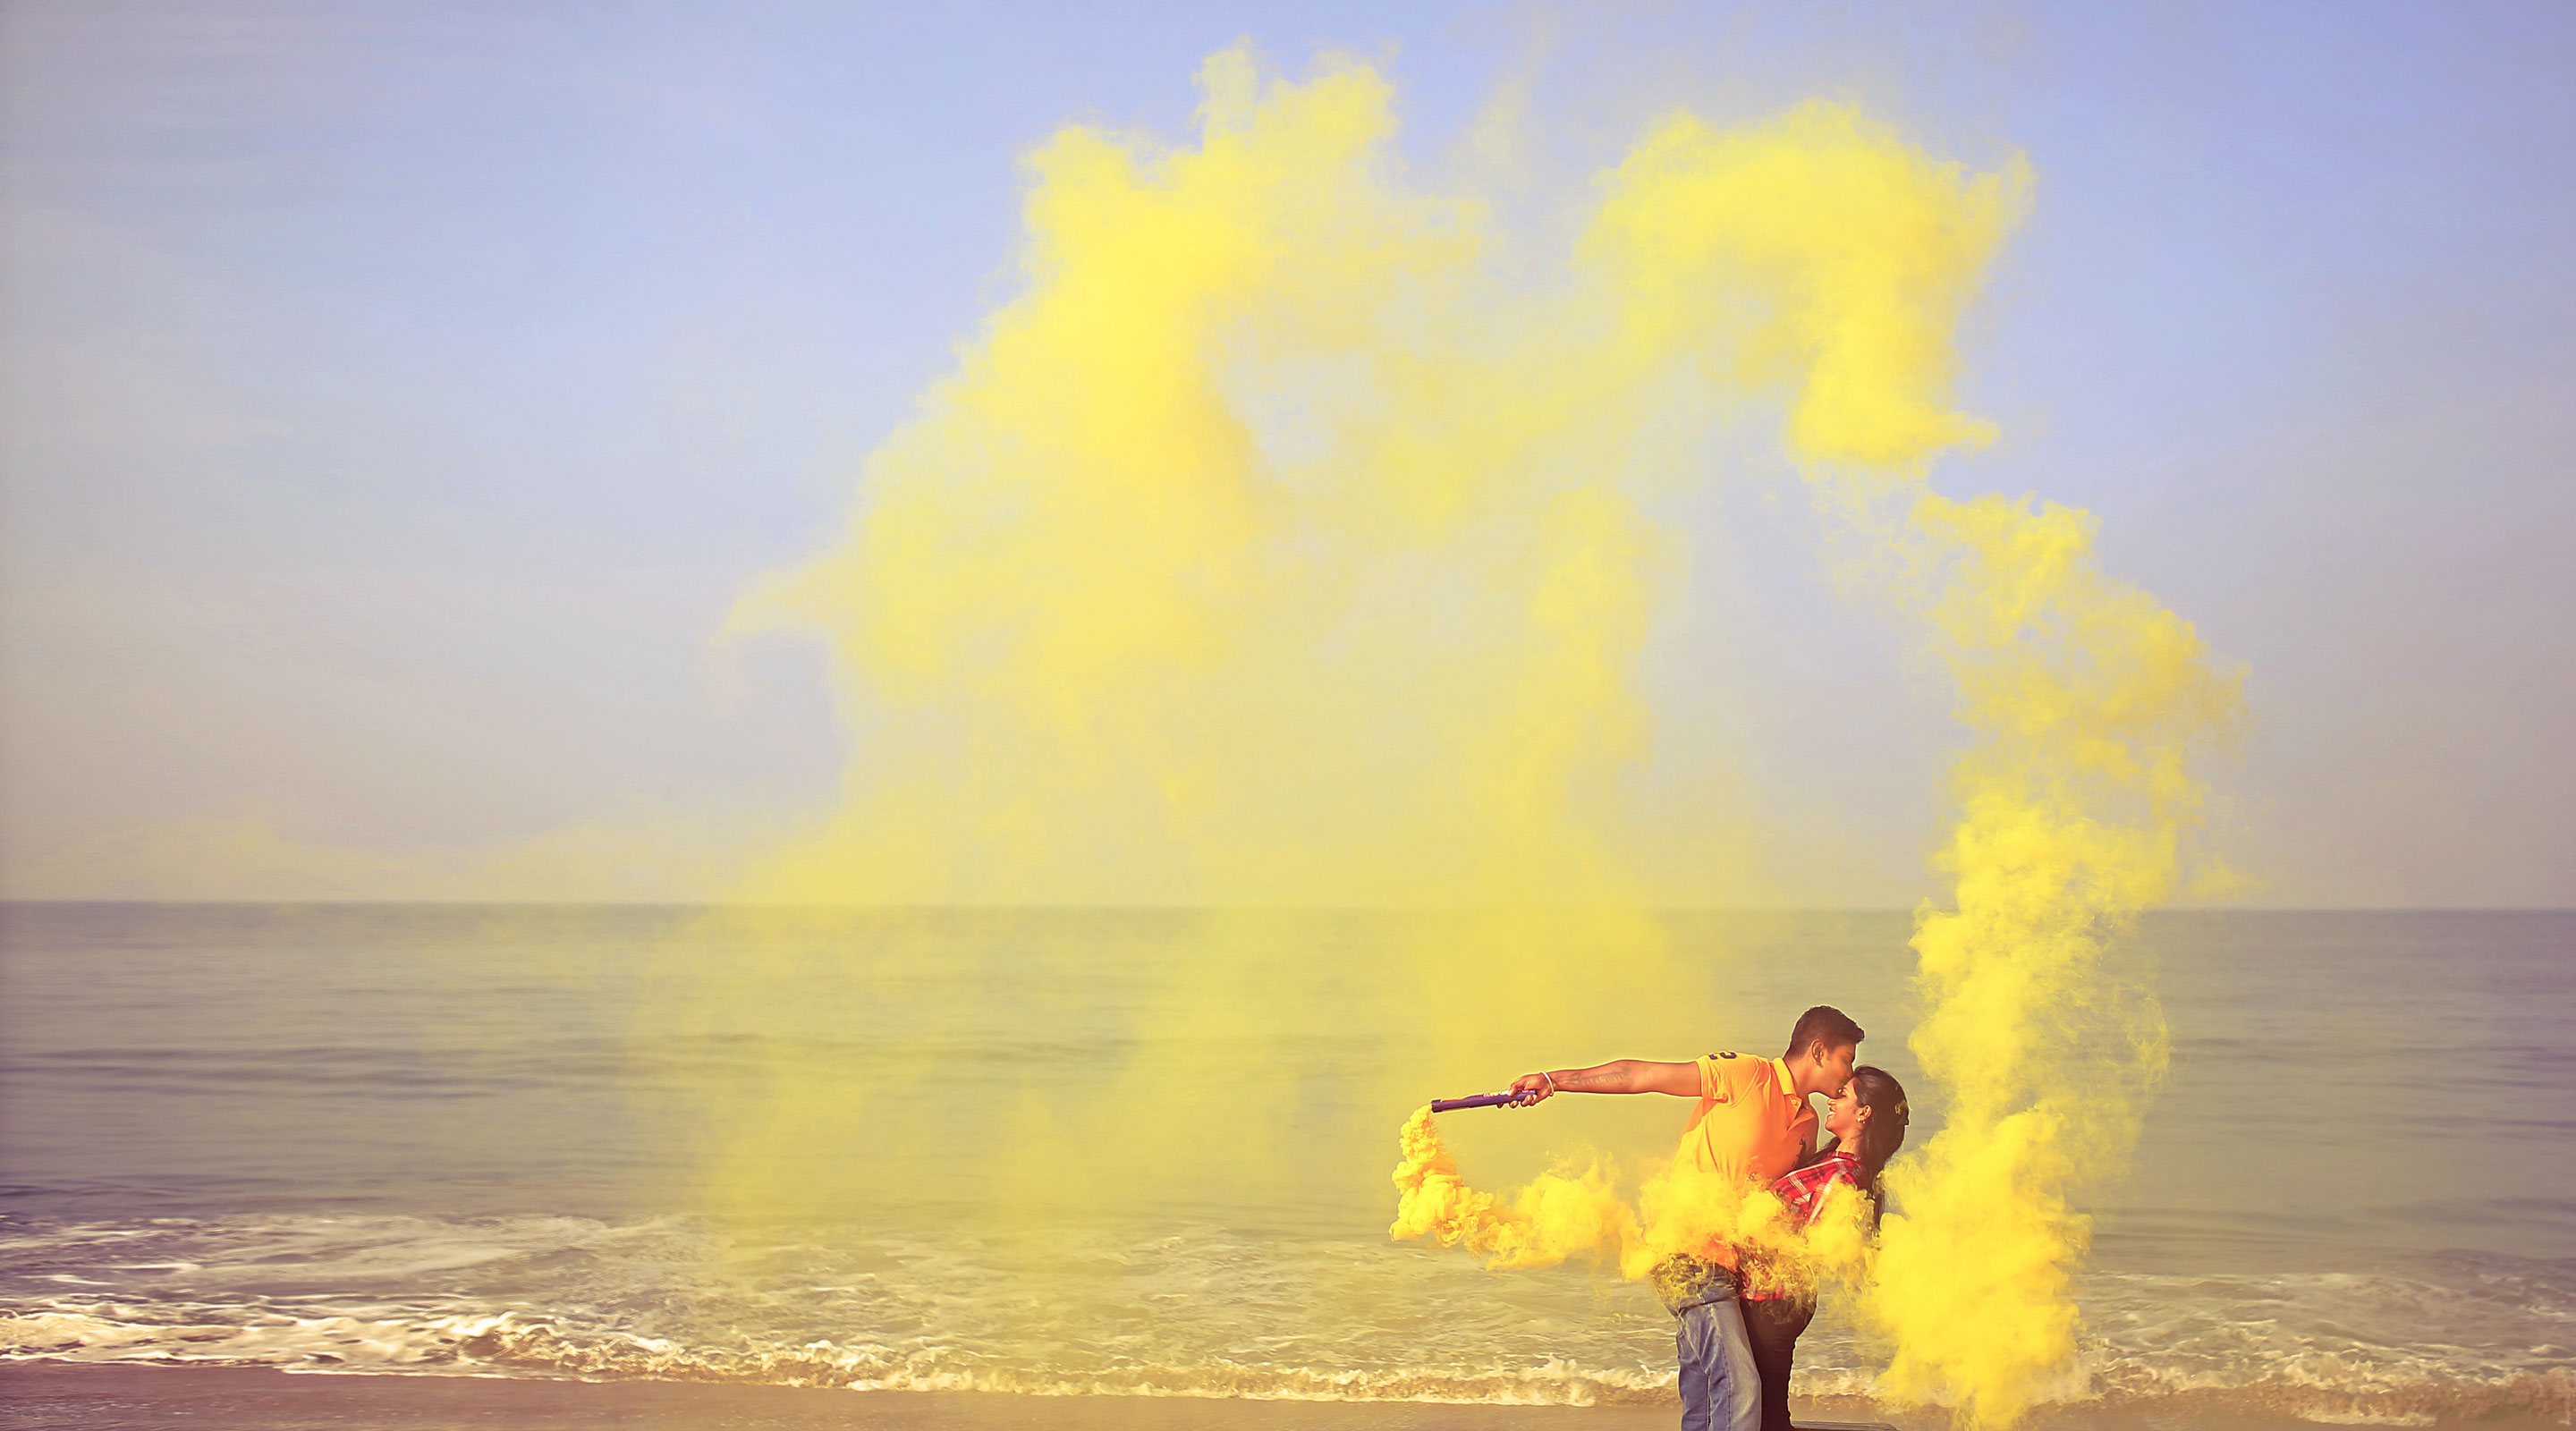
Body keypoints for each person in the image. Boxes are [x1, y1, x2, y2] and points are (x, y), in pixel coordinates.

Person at [1505, 1006, 1866, 1431]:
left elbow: (1788, 1205)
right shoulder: (1746, 1074)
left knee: (1707, 1401)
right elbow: (1642, 1076)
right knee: (1740, 1387)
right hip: (1689, 1255)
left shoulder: (1807, 1124)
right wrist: (1554, 1081)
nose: (1849, 1072)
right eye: (1847, 1059)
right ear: (1819, 1051)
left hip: (1735, 1272)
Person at [1740, 1065, 1910, 1431]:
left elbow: (1804, 1243)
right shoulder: (1833, 1162)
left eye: (1843, 1095)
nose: (1832, 1101)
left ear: (1864, 1112)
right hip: (1773, 1299)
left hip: (1773, 1301)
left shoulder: (1843, 1176)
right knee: (1763, 1414)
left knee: (1762, 1419)